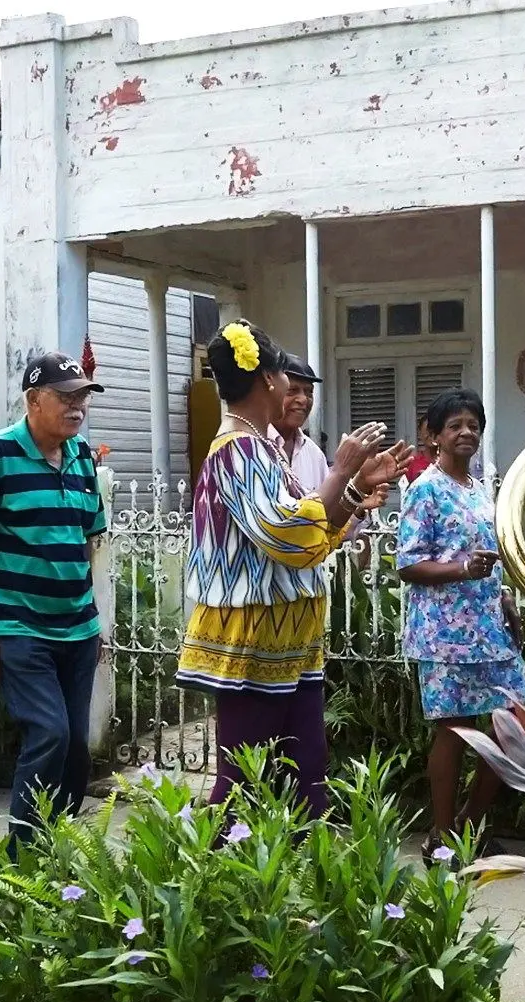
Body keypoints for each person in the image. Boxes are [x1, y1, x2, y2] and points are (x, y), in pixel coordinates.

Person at [176, 319, 408, 816]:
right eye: (285, 376)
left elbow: (317, 532)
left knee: (307, 776)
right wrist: (342, 471)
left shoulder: (262, 449)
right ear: (266, 381)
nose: (291, 387)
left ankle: (304, 885)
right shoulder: (234, 452)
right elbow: (289, 536)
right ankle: (218, 883)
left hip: (292, 642)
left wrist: (353, 492)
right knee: (244, 782)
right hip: (255, 643)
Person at [0, 353, 109, 848]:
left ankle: (56, 845)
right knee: (49, 734)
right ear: (33, 400)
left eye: (82, 397)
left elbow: (88, 540)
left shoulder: (82, 455)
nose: (77, 407)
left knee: (76, 750)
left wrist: (91, 614)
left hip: (77, 628)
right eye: (65, 397)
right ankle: (22, 858)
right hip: (20, 625)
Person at [395, 388, 525, 860]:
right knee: (453, 729)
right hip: (444, 631)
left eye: (473, 424)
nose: (466, 432)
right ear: (434, 436)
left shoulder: (479, 491)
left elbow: (489, 555)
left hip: (489, 624)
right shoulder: (424, 489)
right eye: (455, 425)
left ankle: (469, 826)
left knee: (515, 725)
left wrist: (506, 597)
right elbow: (408, 563)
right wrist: (460, 569)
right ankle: (441, 834)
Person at [271, 353, 328, 491]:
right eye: (292, 391)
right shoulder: (253, 446)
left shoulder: (314, 454)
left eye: (309, 392)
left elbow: (329, 509)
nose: (303, 399)